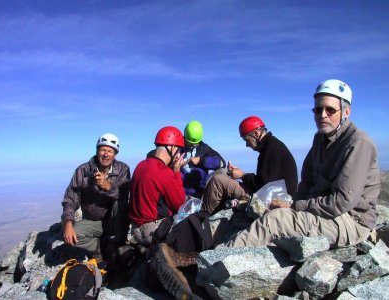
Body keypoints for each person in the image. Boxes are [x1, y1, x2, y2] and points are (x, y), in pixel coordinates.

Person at [153, 79, 381, 299]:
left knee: (274, 221)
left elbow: (341, 202)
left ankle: (203, 266)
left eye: (330, 110)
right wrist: (295, 203)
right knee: (260, 217)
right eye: (317, 109)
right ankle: (207, 257)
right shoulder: (320, 140)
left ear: (346, 111)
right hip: (320, 207)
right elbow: (306, 184)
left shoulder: (357, 144)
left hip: (349, 220)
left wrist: (293, 205)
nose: (322, 115)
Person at [202, 115, 298, 214]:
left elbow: (263, 185)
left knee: (218, 181)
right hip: (276, 195)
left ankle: (203, 218)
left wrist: (242, 176)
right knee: (223, 177)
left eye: (247, 140)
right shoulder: (272, 146)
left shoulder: (271, 149)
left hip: (274, 198)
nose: (247, 145)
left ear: (256, 133)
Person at [61, 133, 131, 257]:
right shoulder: (83, 170)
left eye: (110, 151)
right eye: (103, 150)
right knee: (72, 236)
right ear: (97, 151)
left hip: (115, 221)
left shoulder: (122, 169)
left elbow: (125, 196)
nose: (106, 154)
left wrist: (108, 187)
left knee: (120, 202)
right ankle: (100, 247)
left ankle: (120, 243)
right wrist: (67, 222)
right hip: (93, 222)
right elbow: (71, 198)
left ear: (115, 154)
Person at [128, 126, 186, 247]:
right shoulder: (163, 171)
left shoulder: (141, 165)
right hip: (152, 231)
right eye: (179, 150)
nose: (179, 154)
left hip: (135, 230)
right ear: (173, 147)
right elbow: (179, 205)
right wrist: (176, 172)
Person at [181, 120, 226, 199]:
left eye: (195, 144)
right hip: (183, 192)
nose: (192, 146)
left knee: (222, 172)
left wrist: (201, 160)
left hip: (202, 189)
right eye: (189, 143)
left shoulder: (203, 148)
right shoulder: (176, 148)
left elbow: (221, 163)